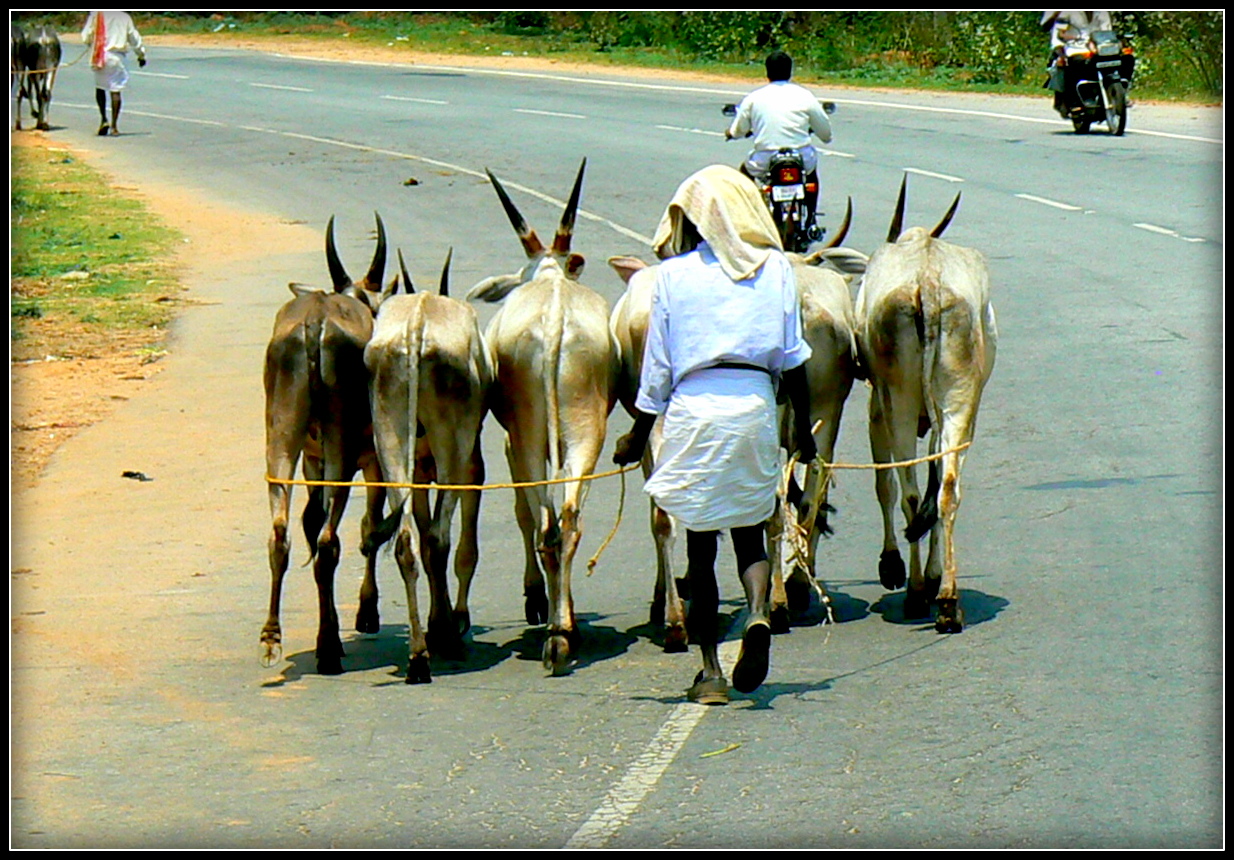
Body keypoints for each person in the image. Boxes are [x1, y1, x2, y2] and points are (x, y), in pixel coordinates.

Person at [612, 164, 817, 705]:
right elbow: (793, 359)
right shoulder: (775, 270)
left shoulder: (672, 277)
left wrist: (636, 434)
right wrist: (805, 434)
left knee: (701, 549)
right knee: (750, 531)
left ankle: (709, 674)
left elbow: (656, 368)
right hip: (754, 405)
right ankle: (756, 615)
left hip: (695, 408)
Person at [725, 50, 832, 242]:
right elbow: (825, 131)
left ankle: (746, 219)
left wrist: (731, 134)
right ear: (790, 72)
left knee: (744, 174)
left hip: (765, 159)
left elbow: (739, 129)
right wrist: (825, 137)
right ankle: (811, 220)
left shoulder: (754, 98)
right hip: (801, 157)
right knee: (812, 176)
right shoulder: (805, 96)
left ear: (767, 73)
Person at [81, 10, 146, 136]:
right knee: (115, 90)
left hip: (100, 56)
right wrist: (141, 55)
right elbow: (134, 38)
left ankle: (103, 119)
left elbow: (86, 37)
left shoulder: (96, 15)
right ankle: (114, 126)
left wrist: (92, 42)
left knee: (100, 88)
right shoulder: (124, 17)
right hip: (118, 57)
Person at [1041, 11, 1113, 117]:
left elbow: (1107, 33)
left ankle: (1117, 92)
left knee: (1126, 59)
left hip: (1097, 49)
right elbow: (1059, 32)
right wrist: (1066, 39)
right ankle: (1076, 100)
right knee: (1076, 64)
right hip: (1074, 48)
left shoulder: (1102, 12)